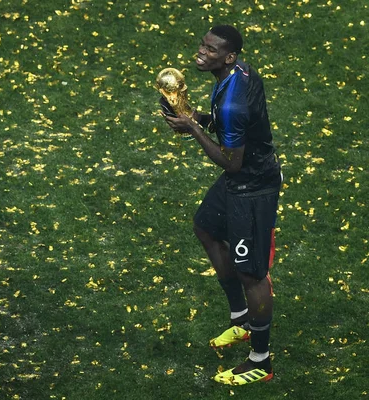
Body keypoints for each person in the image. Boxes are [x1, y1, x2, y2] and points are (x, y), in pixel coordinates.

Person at [164, 25, 281, 385]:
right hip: (241, 179)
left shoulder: (233, 98)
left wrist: (193, 128)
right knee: (206, 227)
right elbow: (234, 128)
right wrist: (197, 118)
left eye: (211, 50)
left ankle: (260, 360)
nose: (201, 52)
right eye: (202, 44)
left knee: (252, 273)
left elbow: (232, 160)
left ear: (229, 56)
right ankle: (241, 320)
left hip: (252, 187)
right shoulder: (238, 74)